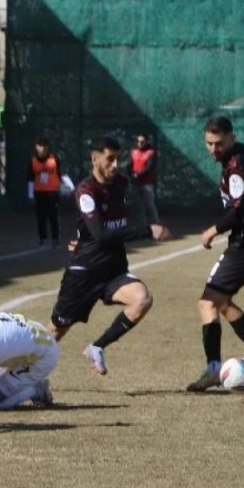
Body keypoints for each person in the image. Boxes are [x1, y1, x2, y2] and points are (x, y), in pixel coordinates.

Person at [48, 136, 171, 376]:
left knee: (142, 299)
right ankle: (14, 374)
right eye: (110, 159)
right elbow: (101, 234)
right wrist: (148, 230)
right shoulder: (86, 191)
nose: (115, 165)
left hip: (113, 271)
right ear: (95, 159)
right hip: (85, 273)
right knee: (54, 333)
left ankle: (97, 347)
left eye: (118, 159)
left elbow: (125, 220)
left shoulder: (122, 184)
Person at [186, 117, 244, 392]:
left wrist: (212, 230)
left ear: (231, 138)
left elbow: (239, 211)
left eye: (219, 143)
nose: (214, 149)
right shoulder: (243, 155)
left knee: (206, 302)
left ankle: (213, 369)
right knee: (222, 302)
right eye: (209, 144)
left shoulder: (237, 166)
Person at [26, 136, 72, 248]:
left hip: (52, 193)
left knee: (53, 217)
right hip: (39, 193)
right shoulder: (32, 161)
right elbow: (30, 179)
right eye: (39, 146)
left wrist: (69, 188)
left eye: (44, 146)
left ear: (47, 147)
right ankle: (42, 238)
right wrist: (31, 195)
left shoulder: (54, 159)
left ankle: (55, 239)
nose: (42, 148)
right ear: (36, 147)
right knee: (40, 217)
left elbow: (62, 174)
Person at [130, 133, 160, 227]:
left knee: (149, 206)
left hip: (147, 184)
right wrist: (131, 174)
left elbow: (149, 167)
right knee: (138, 206)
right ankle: (141, 227)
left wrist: (137, 174)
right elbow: (130, 164)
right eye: (138, 141)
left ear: (147, 142)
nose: (140, 144)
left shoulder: (152, 152)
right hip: (135, 183)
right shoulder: (133, 151)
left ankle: (156, 225)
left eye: (142, 142)